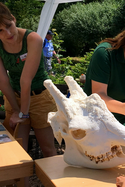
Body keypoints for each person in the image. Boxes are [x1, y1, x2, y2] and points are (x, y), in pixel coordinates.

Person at [0, 3, 57, 158]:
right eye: (0, 30)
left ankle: (52, 180)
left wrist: (22, 113)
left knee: (48, 149)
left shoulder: (33, 39)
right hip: (15, 97)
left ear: (13, 19)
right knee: (18, 153)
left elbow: (26, 80)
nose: (7, 33)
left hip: (40, 97)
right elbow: (3, 81)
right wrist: (16, 110)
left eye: (8, 25)